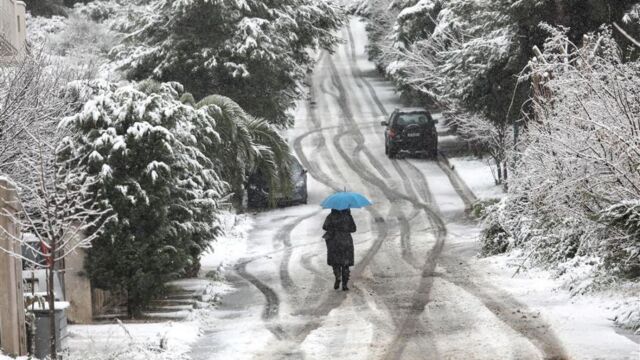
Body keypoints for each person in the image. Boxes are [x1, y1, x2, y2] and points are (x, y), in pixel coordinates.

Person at [322, 209, 356, 291]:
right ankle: (345, 285)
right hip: (346, 242)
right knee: (345, 263)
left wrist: (333, 228)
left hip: (334, 241)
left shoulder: (331, 216)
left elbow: (324, 227)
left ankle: (338, 276)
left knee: (335, 262)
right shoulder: (348, 217)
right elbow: (353, 229)